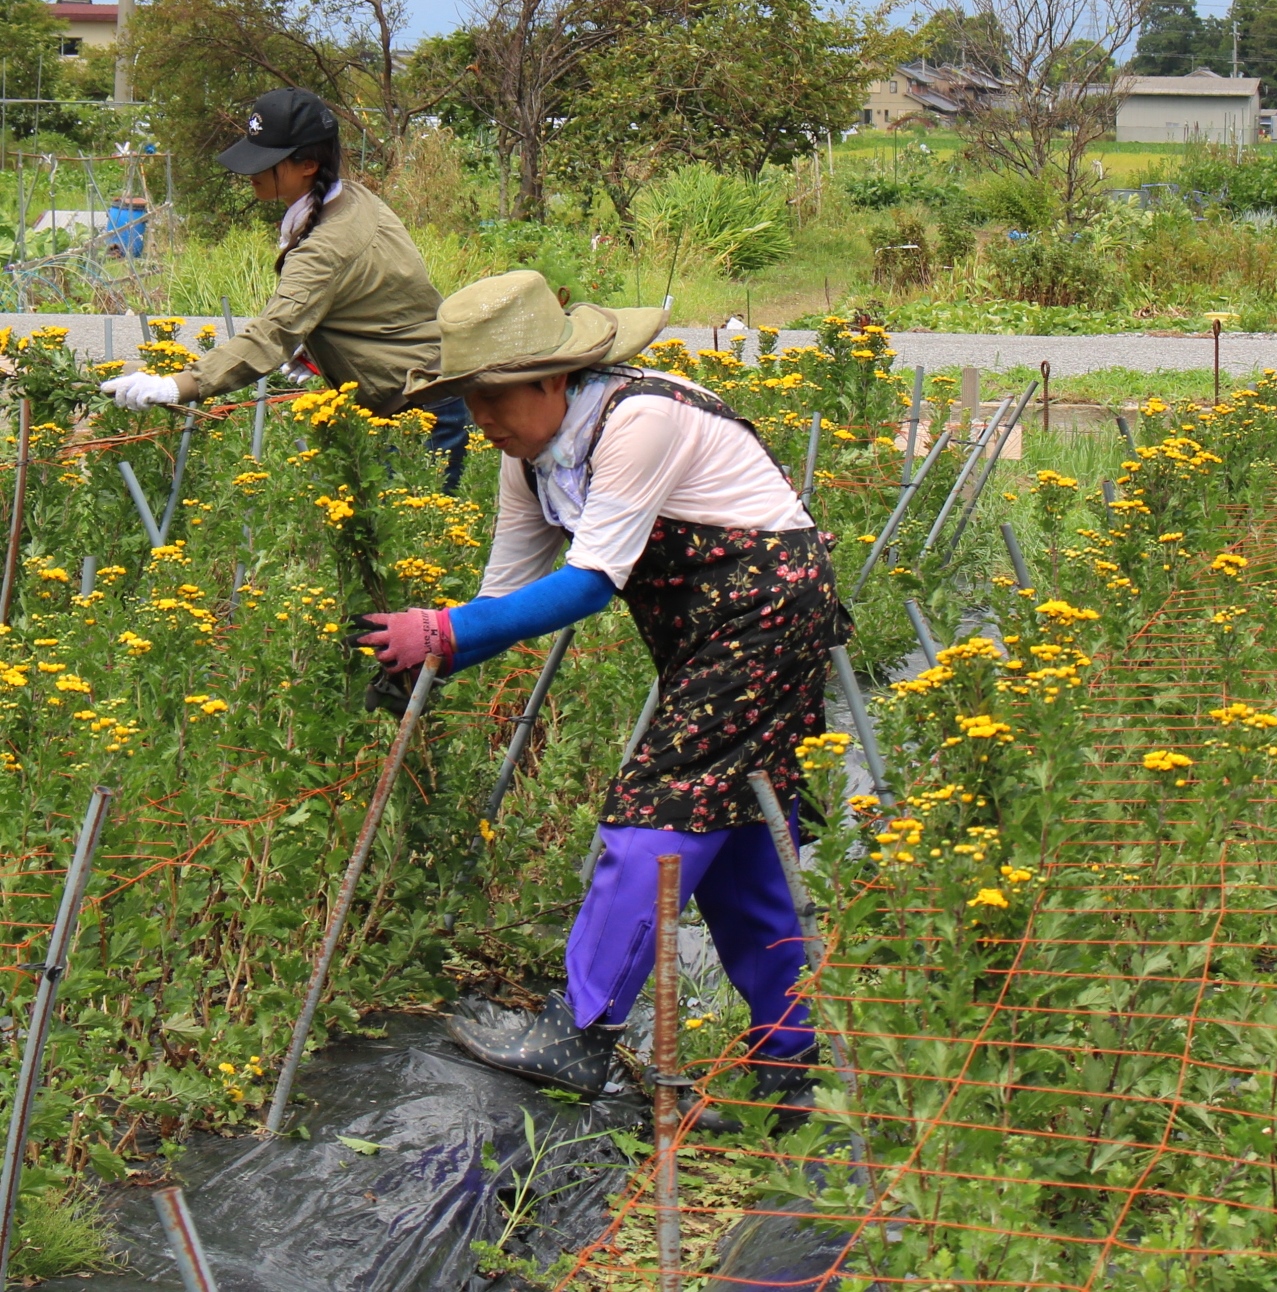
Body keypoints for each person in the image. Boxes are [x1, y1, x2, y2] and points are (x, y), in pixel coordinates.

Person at [349, 270, 836, 1116]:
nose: (486, 421)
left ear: (552, 377)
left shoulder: (637, 419)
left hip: (766, 612)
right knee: (740, 840)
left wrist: (446, 630)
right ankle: (788, 1065)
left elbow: (588, 585)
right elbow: (503, 595)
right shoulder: (532, 461)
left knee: (657, 809)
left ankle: (582, 1031)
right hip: (708, 632)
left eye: (496, 397)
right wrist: (432, 660)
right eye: (468, 399)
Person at [98, 87, 469, 487]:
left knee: (416, 540)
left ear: (308, 164)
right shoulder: (356, 200)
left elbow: (272, 334)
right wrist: (320, 346)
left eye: (267, 161)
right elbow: (381, 297)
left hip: (418, 415)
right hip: (434, 388)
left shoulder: (324, 248)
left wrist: (176, 386)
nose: (250, 173)